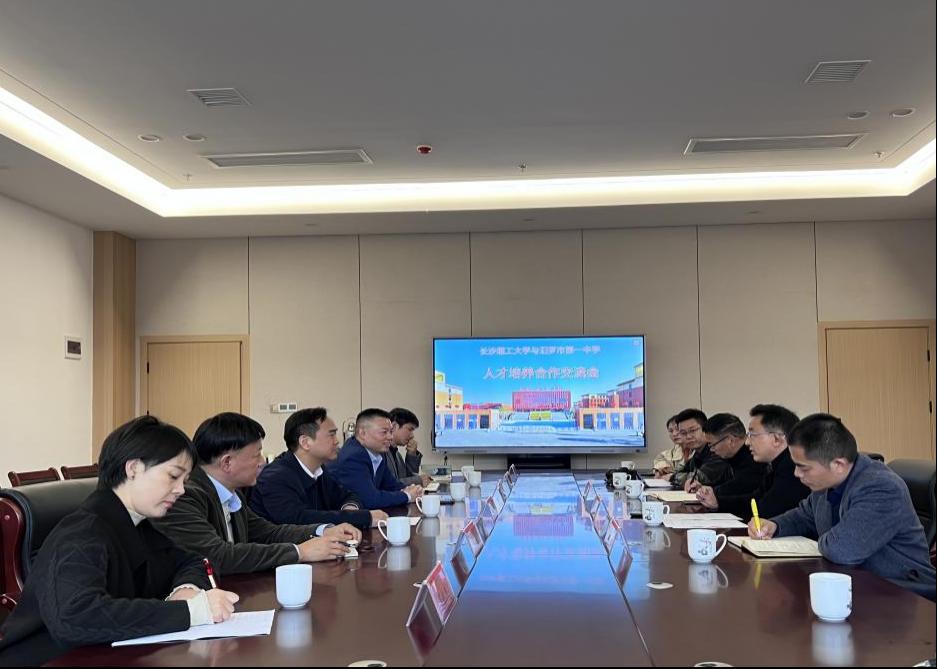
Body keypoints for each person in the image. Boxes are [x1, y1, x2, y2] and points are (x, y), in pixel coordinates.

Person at [0, 416, 240, 666]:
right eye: (173, 476)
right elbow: (75, 617)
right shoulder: (82, 533)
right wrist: (191, 612)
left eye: (184, 481)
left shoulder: (138, 525)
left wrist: (185, 589)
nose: (181, 489)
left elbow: (194, 561)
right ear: (133, 468)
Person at [749, 413, 936, 599]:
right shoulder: (826, 483)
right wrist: (775, 525)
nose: (796, 474)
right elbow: (804, 516)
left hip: (902, 593)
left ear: (838, 464)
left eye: (803, 467)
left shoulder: (881, 488)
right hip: (856, 583)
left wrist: (824, 539)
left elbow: (841, 550)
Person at [155, 412, 359, 574]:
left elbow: (268, 532)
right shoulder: (185, 496)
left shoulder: (232, 493)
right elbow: (218, 556)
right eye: (256, 455)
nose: (262, 462)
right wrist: (300, 552)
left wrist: (323, 531)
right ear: (227, 462)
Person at [250, 407, 388, 530]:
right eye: (331, 434)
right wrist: (360, 518)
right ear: (305, 442)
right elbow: (299, 519)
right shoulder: (275, 476)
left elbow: (348, 495)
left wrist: (350, 508)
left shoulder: (319, 470)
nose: (337, 441)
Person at [696, 404, 808, 520]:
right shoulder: (778, 464)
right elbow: (756, 499)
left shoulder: (793, 468)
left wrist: (719, 502)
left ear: (776, 439)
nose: (747, 442)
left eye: (752, 435)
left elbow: (766, 510)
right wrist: (718, 503)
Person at [329, 408, 423, 508]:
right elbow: (370, 499)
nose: (390, 437)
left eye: (391, 432)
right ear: (362, 433)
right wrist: (407, 496)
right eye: (384, 432)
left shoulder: (377, 453)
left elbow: (392, 486)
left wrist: (415, 490)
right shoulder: (353, 456)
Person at [687, 413, 765, 496]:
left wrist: (711, 491)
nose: (711, 450)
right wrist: (703, 487)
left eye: (712, 445)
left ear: (730, 440)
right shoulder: (732, 457)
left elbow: (738, 488)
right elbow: (723, 483)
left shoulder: (755, 458)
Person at [668, 409, 731, 490]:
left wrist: (672, 477)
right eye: (683, 433)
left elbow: (698, 478)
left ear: (705, 429)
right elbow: (680, 472)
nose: (688, 436)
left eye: (692, 430)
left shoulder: (717, 450)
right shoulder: (697, 453)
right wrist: (675, 476)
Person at [385, 407, 432, 487]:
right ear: (394, 426)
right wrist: (418, 480)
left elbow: (408, 477)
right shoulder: (380, 453)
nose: (412, 435)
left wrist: (411, 455)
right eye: (410, 429)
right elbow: (388, 485)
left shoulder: (397, 455)